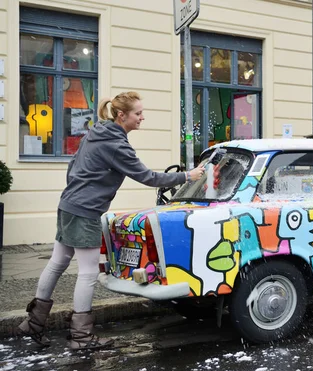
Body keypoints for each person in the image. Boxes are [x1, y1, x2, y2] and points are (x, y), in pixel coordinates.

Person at [17, 91, 206, 350]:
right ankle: (81, 337)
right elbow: (148, 177)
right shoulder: (116, 144)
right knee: (87, 272)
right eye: (137, 113)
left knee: (57, 262)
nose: (142, 117)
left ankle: (33, 323)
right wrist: (188, 176)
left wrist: (79, 191)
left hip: (68, 205)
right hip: (85, 211)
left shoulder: (97, 132)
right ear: (122, 115)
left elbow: (72, 167)